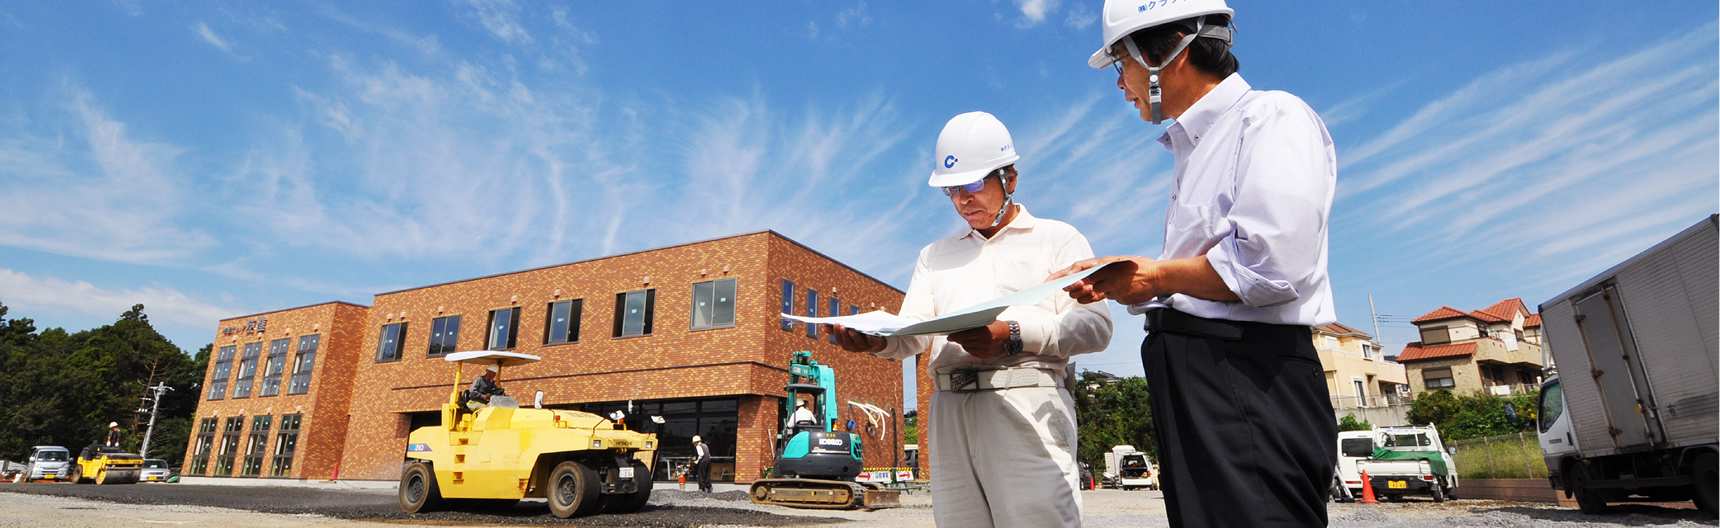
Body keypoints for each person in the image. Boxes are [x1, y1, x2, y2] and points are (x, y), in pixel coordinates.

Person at [1051, 1, 1338, 526]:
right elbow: (1214, 274)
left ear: (1171, 51)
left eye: (1123, 65)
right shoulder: (1194, 147)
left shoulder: (1270, 117)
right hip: (1200, 377)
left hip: (1247, 377)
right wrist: (1138, 283)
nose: (1121, 84)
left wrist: (1156, 274)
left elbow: (1273, 264)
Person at [830, 111, 1113, 528]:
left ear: (1010, 179)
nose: (963, 198)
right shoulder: (934, 255)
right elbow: (914, 332)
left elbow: (1096, 326)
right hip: (949, 412)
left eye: (974, 184)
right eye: (951, 189)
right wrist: (876, 340)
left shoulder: (1058, 239)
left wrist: (1012, 335)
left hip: (1026, 403)